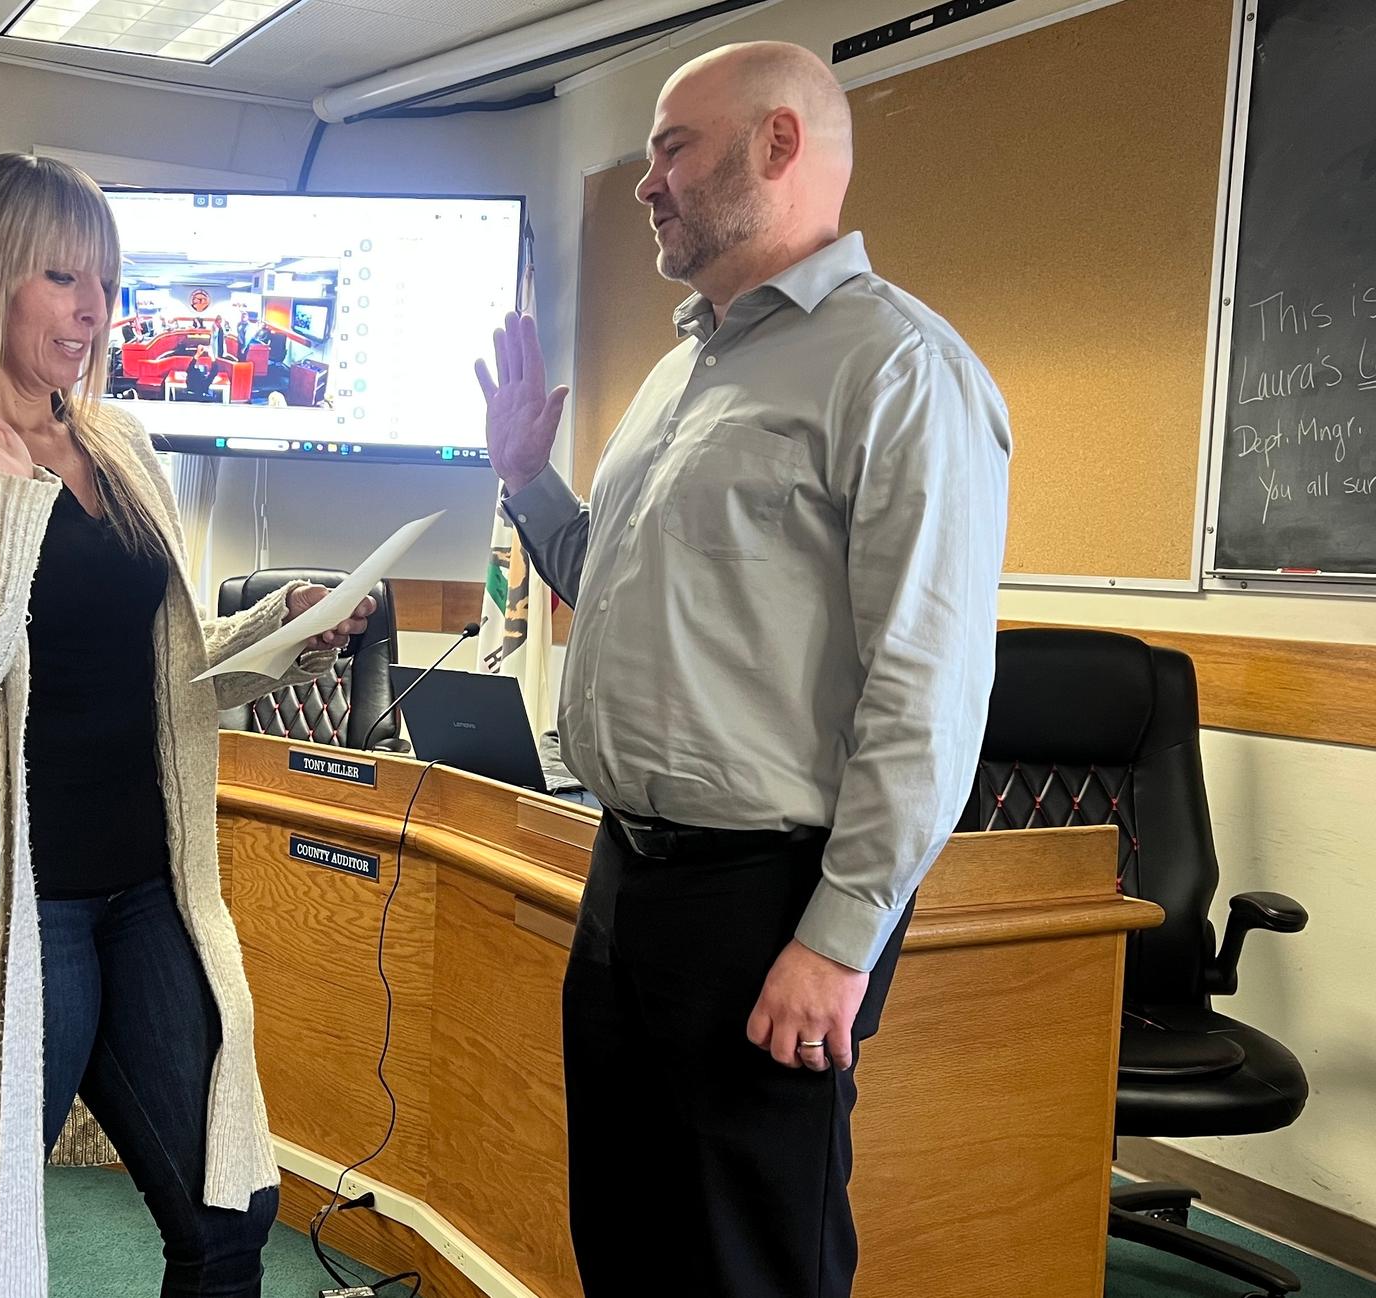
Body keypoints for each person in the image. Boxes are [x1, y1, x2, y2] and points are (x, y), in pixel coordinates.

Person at [475, 42, 1011, 1298]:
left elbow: (926, 689)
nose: (644, 183)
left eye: (672, 148)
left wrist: (836, 942)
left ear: (778, 144)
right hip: (627, 878)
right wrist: (523, 478)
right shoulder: (678, 373)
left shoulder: (898, 371)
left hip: (765, 899)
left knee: (747, 1261)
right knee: (624, 1237)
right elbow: (606, 581)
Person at [0, 152, 373, 1298]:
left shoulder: (115, 443)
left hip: (148, 890)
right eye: (61, 276)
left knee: (228, 1212)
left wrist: (274, 641)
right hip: (1, 905)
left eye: (104, 280)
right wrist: (5, 500)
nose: (94, 310)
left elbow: (157, 675)